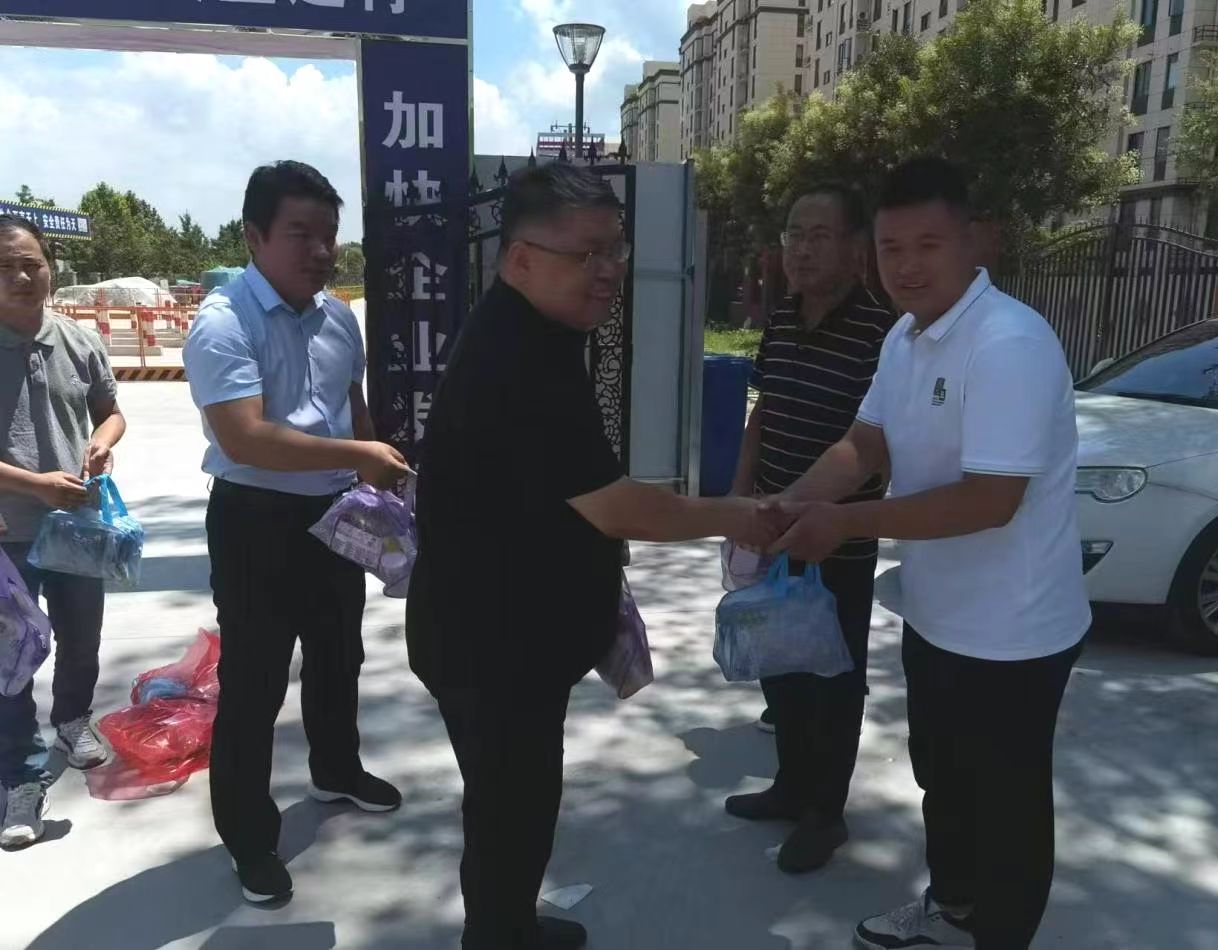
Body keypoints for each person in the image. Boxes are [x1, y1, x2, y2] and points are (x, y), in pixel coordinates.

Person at [407, 163, 782, 950]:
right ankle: (498, 936)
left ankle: (507, 922)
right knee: (511, 810)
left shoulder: (535, 333)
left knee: (510, 805)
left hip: (497, 631)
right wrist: (739, 514)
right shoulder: (521, 359)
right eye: (587, 254)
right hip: (493, 645)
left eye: (615, 249)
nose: (609, 270)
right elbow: (619, 506)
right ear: (520, 259)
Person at [768, 157, 1090, 950]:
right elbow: (862, 444)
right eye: (890, 248)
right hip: (935, 612)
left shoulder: (1008, 343)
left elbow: (989, 500)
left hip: (1014, 632)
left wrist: (843, 524)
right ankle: (952, 907)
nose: (906, 266)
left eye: (926, 245)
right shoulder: (905, 337)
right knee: (941, 777)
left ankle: (998, 935)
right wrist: (788, 505)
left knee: (1005, 803)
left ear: (971, 241)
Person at [184, 161, 413, 903]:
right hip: (255, 520)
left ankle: (336, 769)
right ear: (254, 237)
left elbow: (353, 408)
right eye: (299, 234)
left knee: (339, 654)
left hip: (335, 515)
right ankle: (249, 838)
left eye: (328, 235)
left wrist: (374, 475)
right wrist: (359, 454)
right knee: (254, 683)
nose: (320, 251)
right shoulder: (224, 322)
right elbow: (245, 438)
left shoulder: (338, 318)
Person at [726, 184, 894, 873]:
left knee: (832, 674)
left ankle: (826, 813)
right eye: (794, 234)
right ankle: (791, 785)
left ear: (855, 250)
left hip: (836, 537)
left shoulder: (882, 334)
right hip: (770, 525)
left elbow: (874, 448)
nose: (800, 249)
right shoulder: (783, 319)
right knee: (780, 660)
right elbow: (763, 413)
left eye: (818, 236)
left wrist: (811, 508)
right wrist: (739, 497)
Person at [0, 215, 126, 849]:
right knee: (10, 657)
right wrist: (35, 485)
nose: (22, 277)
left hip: (76, 526)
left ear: (51, 268)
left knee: (82, 636)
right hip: (9, 535)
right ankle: (21, 776)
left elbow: (111, 412)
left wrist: (102, 443)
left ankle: (74, 719)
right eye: (5, 267)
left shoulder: (79, 340)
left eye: (32, 264)